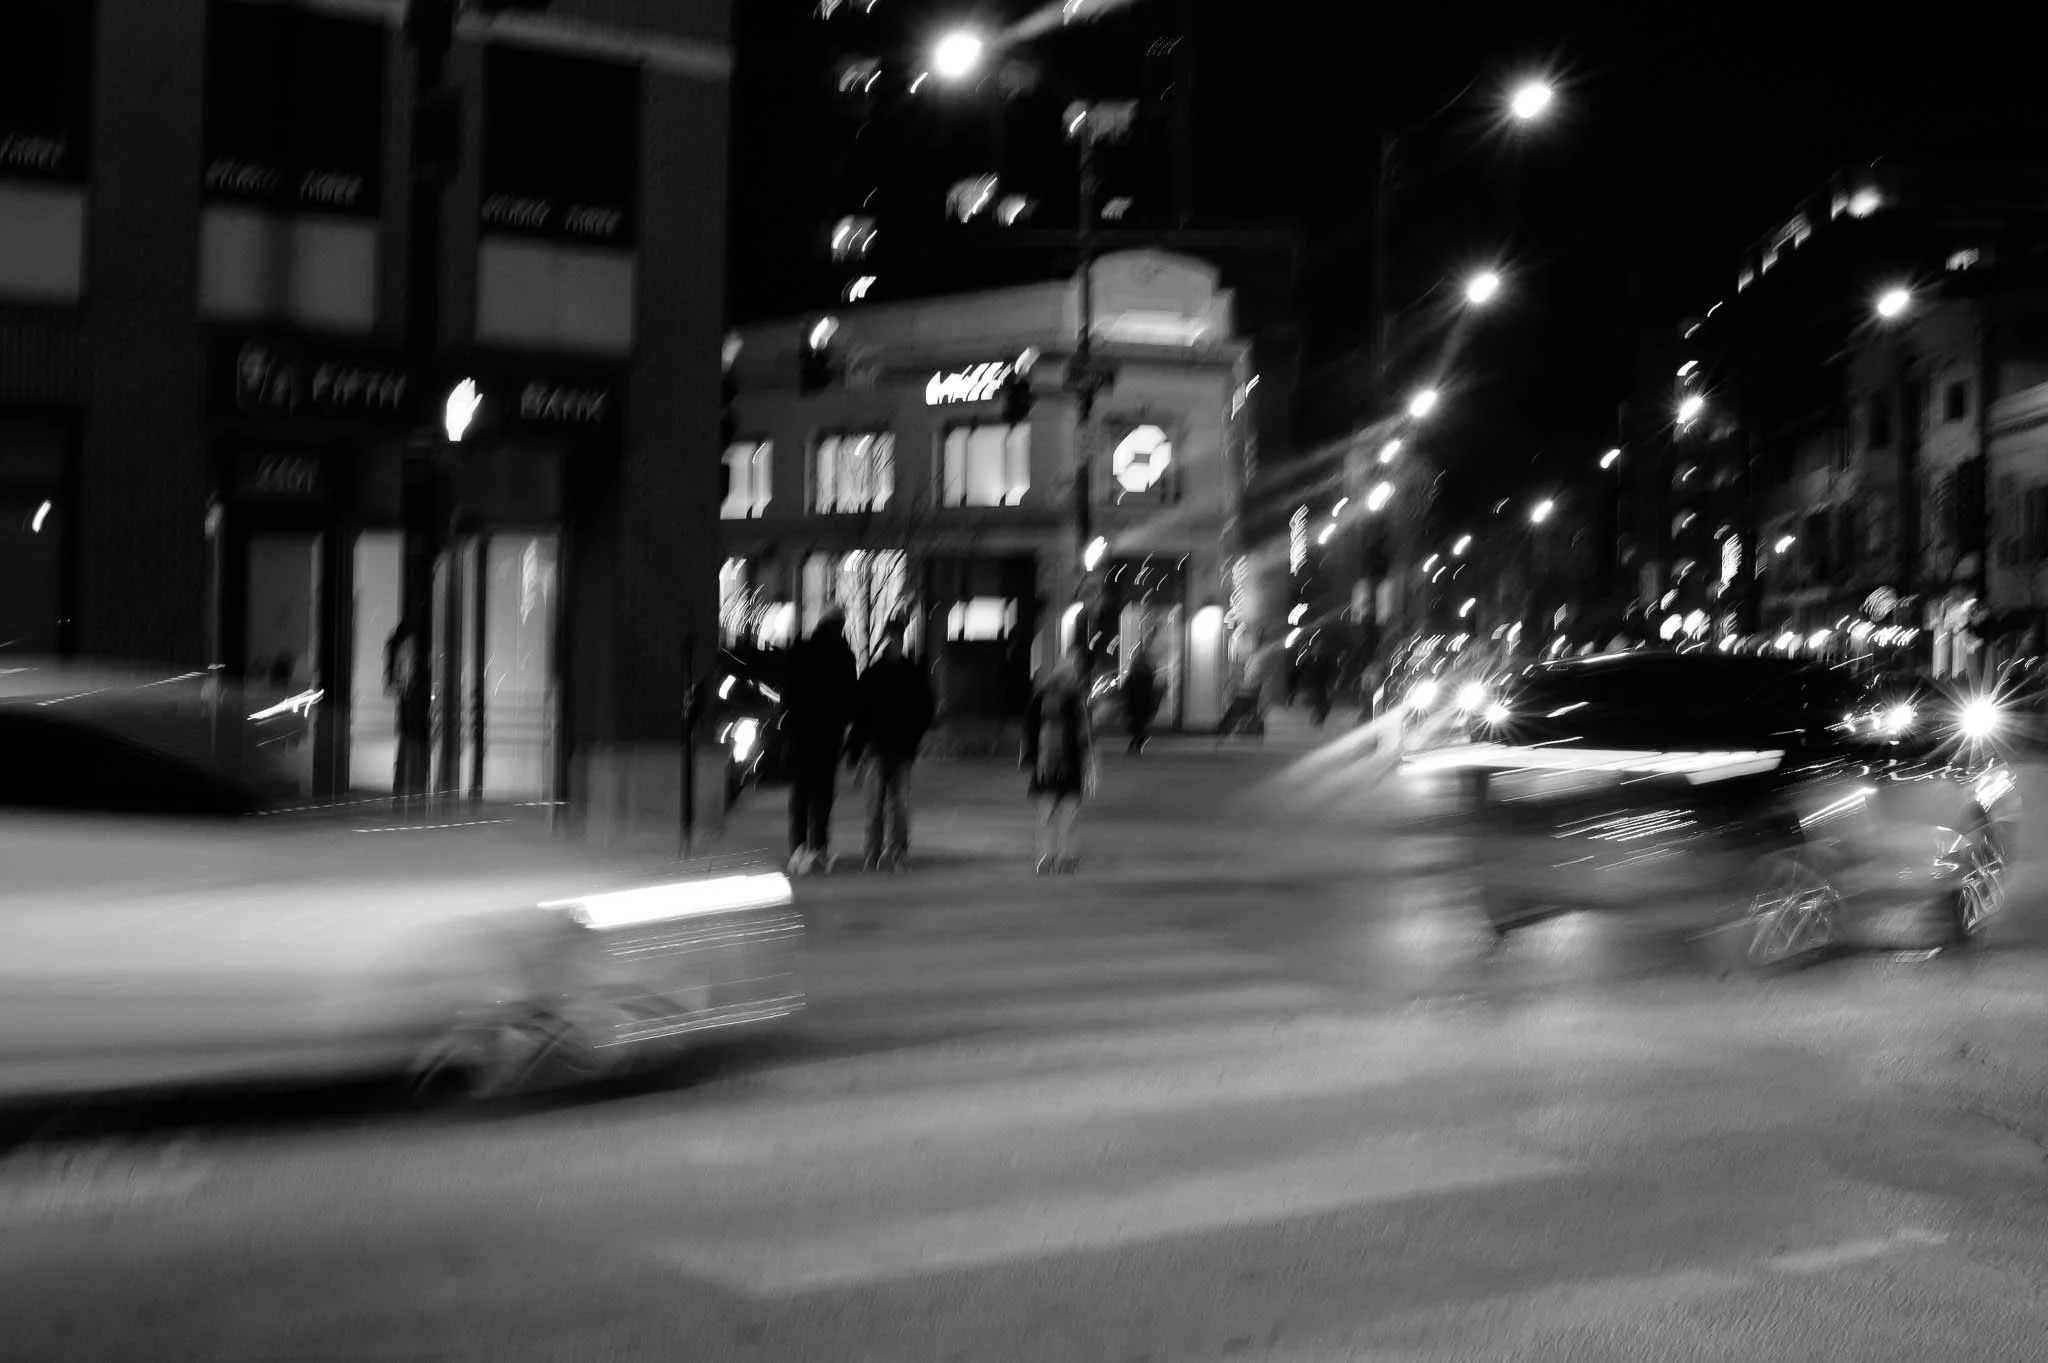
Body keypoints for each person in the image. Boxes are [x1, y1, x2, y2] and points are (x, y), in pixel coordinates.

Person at [847, 622, 936, 871]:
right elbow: (925, 707)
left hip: (888, 747)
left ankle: (880, 852)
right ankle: (889, 852)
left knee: (887, 804)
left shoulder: (876, 673)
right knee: (892, 803)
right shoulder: (910, 673)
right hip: (894, 747)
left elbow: (859, 711)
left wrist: (860, 744)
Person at [781, 609, 858, 875]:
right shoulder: (843, 656)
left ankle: (798, 849)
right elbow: (850, 699)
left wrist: (790, 724)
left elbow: (788, 693)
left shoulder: (802, 650)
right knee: (822, 795)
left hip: (803, 734)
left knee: (801, 794)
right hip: (829, 736)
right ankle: (819, 847)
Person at [1023, 640, 1097, 874]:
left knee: (1052, 814)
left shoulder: (1046, 701)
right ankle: (1059, 857)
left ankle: (1052, 856)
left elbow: (1031, 733)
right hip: (1065, 765)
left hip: (1051, 766)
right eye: (1069, 677)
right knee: (1064, 814)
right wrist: (1087, 761)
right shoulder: (1073, 703)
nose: (1071, 681)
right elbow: (1083, 736)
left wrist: (1033, 758)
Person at [1122, 645, 1159, 755]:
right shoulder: (1148, 672)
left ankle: (1134, 747)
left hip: (1135, 704)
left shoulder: (1135, 672)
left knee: (1139, 727)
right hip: (1145, 704)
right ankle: (1135, 747)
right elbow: (1150, 688)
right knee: (1143, 728)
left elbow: (1127, 688)